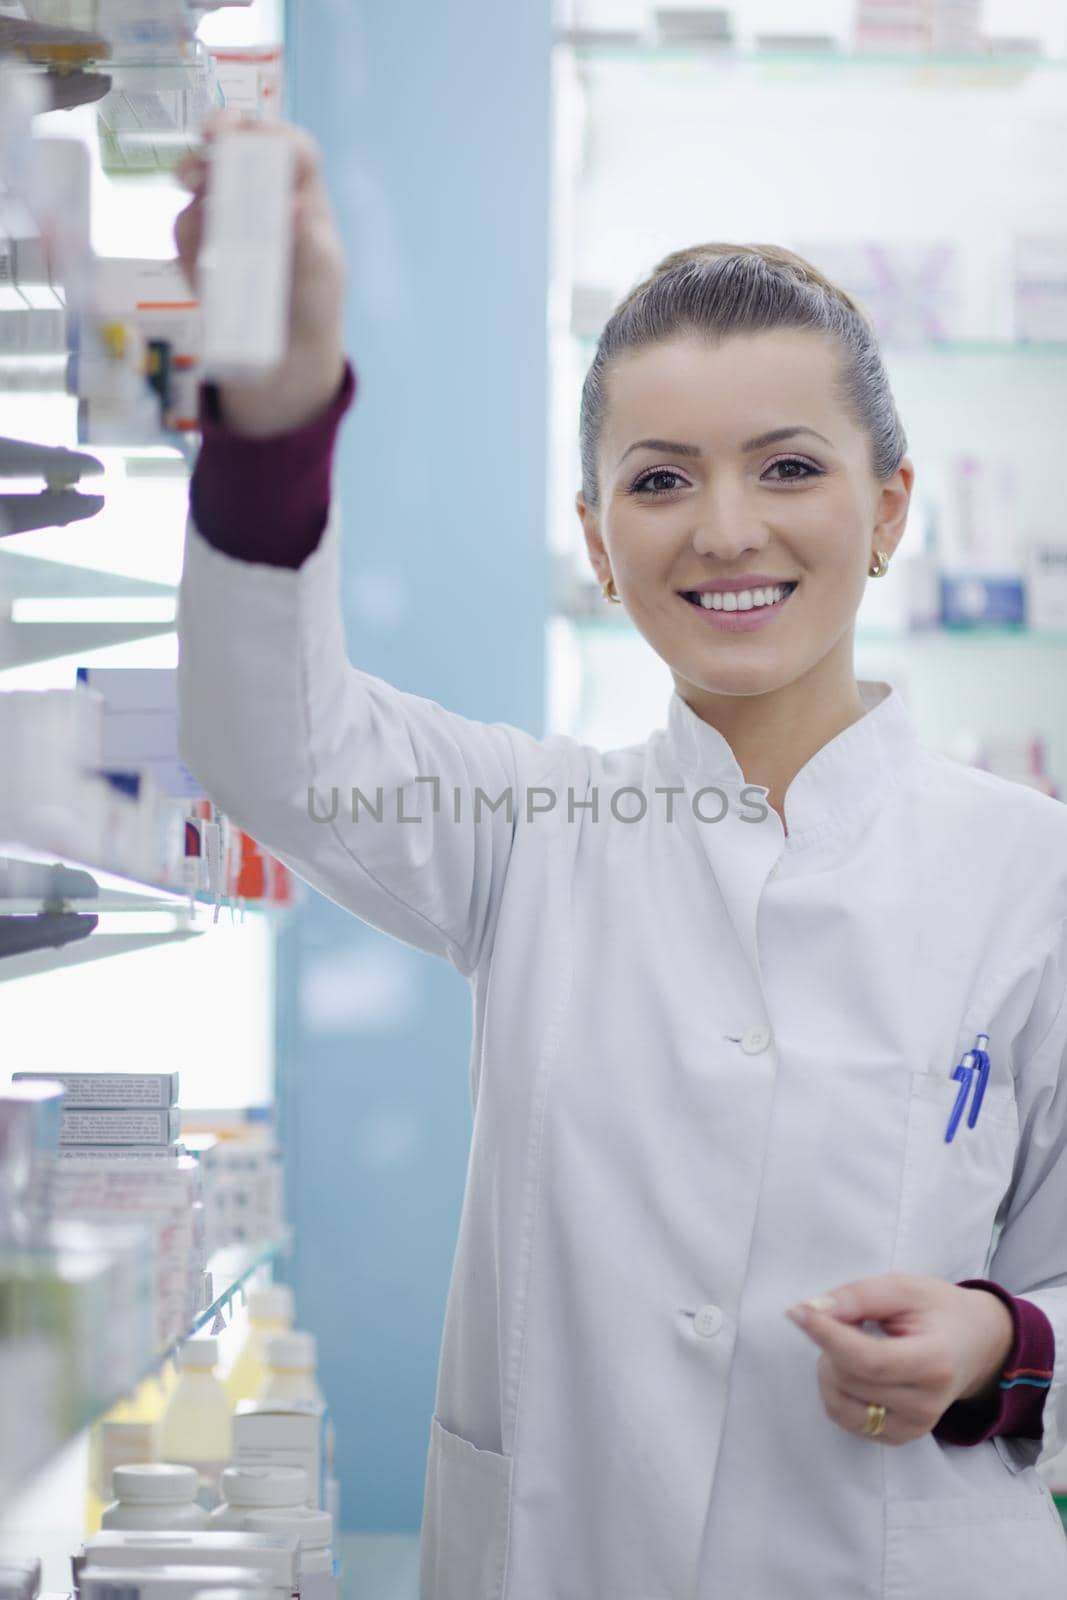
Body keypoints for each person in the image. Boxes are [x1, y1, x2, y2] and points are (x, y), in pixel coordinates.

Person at [173, 114, 1067, 1599]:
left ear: (890, 508)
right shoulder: (534, 831)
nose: (726, 531)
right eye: (658, 483)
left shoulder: (1032, 871)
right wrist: (277, 406)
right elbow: (273, 741)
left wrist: (1005, 1344)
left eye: (789, 468)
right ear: (595, 540)